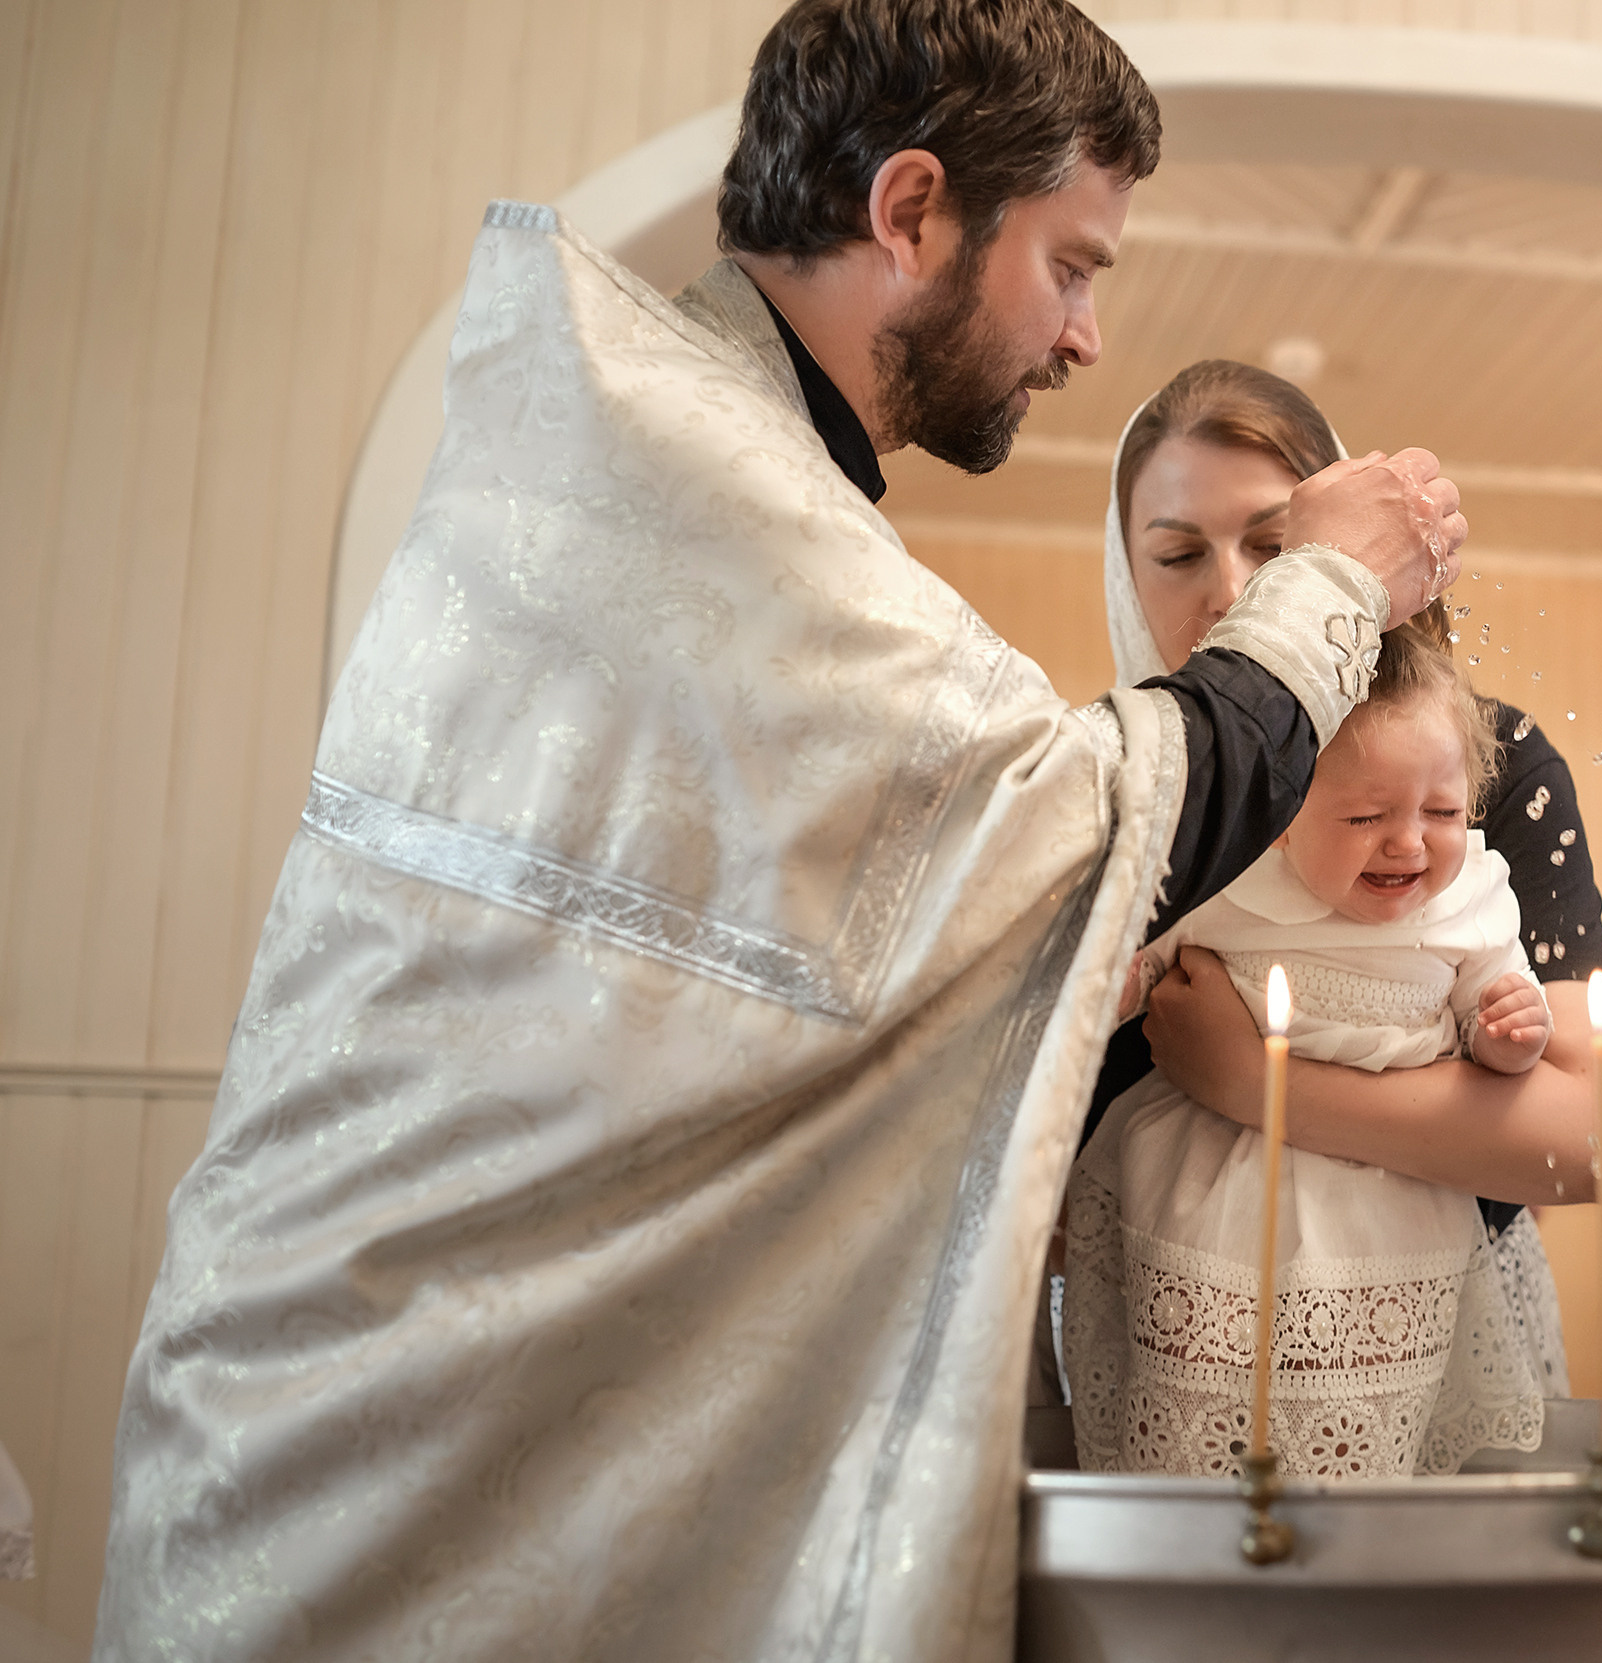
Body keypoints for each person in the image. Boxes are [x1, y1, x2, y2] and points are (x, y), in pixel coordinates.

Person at [91, 6, 1468, 1661]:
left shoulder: (673, 449)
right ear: (911, 213)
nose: (1088, 337)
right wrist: (1325, 582)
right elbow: (1089, 825)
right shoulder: (707, 490)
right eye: (1073, 265)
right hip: (396, 1501)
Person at [1082, 359, 1602, 1397]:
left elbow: (1586, 1144)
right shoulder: (1118, 786)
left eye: (1277, 546)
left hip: (1442, 1336)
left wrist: (1257, 1085)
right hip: (1175, 1346)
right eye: (1178, 553)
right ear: (1125, 573)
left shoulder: (1477, 761)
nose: (1235, 591)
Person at [1063, 624, 1553, 1479]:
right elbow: (1142, 961)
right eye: (1366, 816)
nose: (1409, 842)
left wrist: (1505, 1032)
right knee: (1208, 1419)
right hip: (1220, 1198)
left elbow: (1490, 1004)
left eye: (1441, 811)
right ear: (1284, 816)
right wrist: (1116, 988)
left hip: (1392, 1203)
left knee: (1368, 1440)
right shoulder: (1237, 880)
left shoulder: (1472, 898)